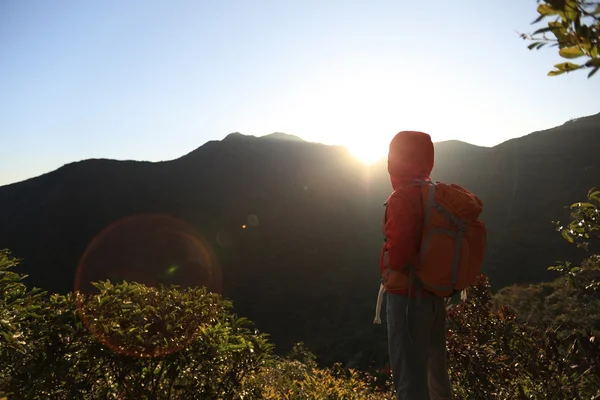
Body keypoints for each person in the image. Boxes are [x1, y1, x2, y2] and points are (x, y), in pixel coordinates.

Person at [380, 131, 452, 400]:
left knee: (410, 381)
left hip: (407, 300)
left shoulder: (402, 198)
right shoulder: (436, 193)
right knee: (437, 376)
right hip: (435, 295)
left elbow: (398, 257)